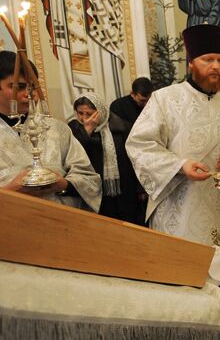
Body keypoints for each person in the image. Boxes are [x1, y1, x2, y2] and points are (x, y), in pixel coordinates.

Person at [126, 25, 220, 245]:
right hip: (180, 208)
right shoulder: (164, 99)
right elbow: (138, 144)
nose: (216, 66)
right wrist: (179, 166)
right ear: (191, 63)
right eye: (207, 60)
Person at [0, 51, 101, 211]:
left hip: (62, 224)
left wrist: (63, 184)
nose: (29, 94)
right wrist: (11, 190)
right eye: (18, 87)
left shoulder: (56, 128)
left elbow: (90, 179)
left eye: (33, 86)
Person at [68, 93, 127, 220]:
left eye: (89, 114)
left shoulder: (119, 126)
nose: (84, 118)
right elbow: (75, 154)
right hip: (92, 188)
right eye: (80, 113)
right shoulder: (73, 128)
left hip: (122, 187)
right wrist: (88, 130)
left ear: (100, 112)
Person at [109, 77, 152, 226]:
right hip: (126, 163)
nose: (145, 105)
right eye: (141, 101)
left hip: (149, 158)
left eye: (148, 101)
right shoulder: (118, 107)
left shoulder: (154, 104)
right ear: (132, 94)